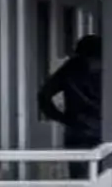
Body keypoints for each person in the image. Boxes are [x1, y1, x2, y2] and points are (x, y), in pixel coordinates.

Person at [38, 33, 104, 166]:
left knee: (80, 178)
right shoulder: (108, 70)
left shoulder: (71, 68)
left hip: (77, 129)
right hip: (102, 129)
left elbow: (44, 96)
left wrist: (63, 118)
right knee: (105, 177)